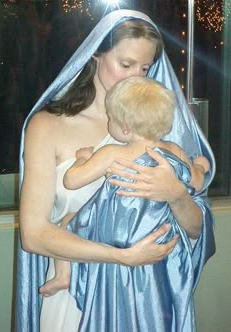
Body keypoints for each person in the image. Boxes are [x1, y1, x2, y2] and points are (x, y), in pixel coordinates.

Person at [15, 9, 215, 332]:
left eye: (145, 68)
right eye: (126, 64)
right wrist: (122, 256)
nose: (137, 77)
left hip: (141, 298)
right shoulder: (47, 127)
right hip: (74, 299)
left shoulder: (155, 130)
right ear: (96, 53)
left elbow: (195, 231)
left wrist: (176, 195)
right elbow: (34, 235)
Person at [41, 77, 210, 300]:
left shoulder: (113, 152)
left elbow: (71, 181)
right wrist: (200, 166)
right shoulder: (175, 151)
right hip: (159, 234)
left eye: (110, 118)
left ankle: (63, 275)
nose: (108, 122)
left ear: (126, 128)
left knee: (66, 221)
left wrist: (82, 159)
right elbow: (196, 182)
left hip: (117, 232)